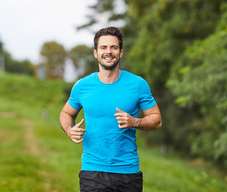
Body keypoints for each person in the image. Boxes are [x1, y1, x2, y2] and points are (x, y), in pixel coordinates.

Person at [59, 26, 162, 192]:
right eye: (103, 47)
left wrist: (135, 121)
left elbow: (156, 120)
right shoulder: (82, 86)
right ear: (95, 53)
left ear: (120, 52)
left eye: (113, 47)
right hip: (93, 171)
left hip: (128, 172)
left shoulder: (137, 84)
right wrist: (69, 129)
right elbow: (66, 113)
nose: (108, 51)